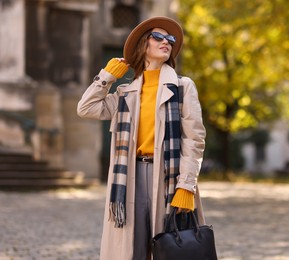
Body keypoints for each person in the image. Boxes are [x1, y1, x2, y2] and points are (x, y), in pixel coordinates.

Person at [77, 16, 206, 260]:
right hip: (130, 178)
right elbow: (86, 108)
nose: (166, 41)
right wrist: (106, 77)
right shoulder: (125, 93)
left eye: (170, 39)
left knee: (170, 249)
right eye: (158, 37)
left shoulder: (182, 87)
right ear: (143, 46)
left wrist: (186, 185)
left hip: (168, 176)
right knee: (130, 252)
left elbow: (194, 139)